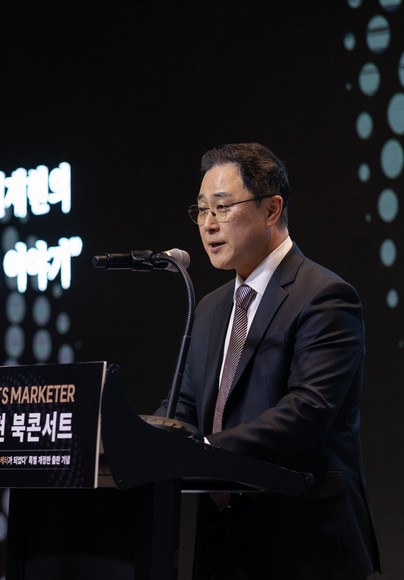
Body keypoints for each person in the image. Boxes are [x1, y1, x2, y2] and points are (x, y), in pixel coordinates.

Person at [155, 142, 381, 580]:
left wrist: (207, 452)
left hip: (304, 545)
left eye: (222, 207)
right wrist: (142, 439)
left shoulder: (324, 297)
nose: (208, 224)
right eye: (201, 210)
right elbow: (183, 407)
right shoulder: (211, 307)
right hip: (223, 546)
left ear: (272, 209)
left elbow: (308, 410)